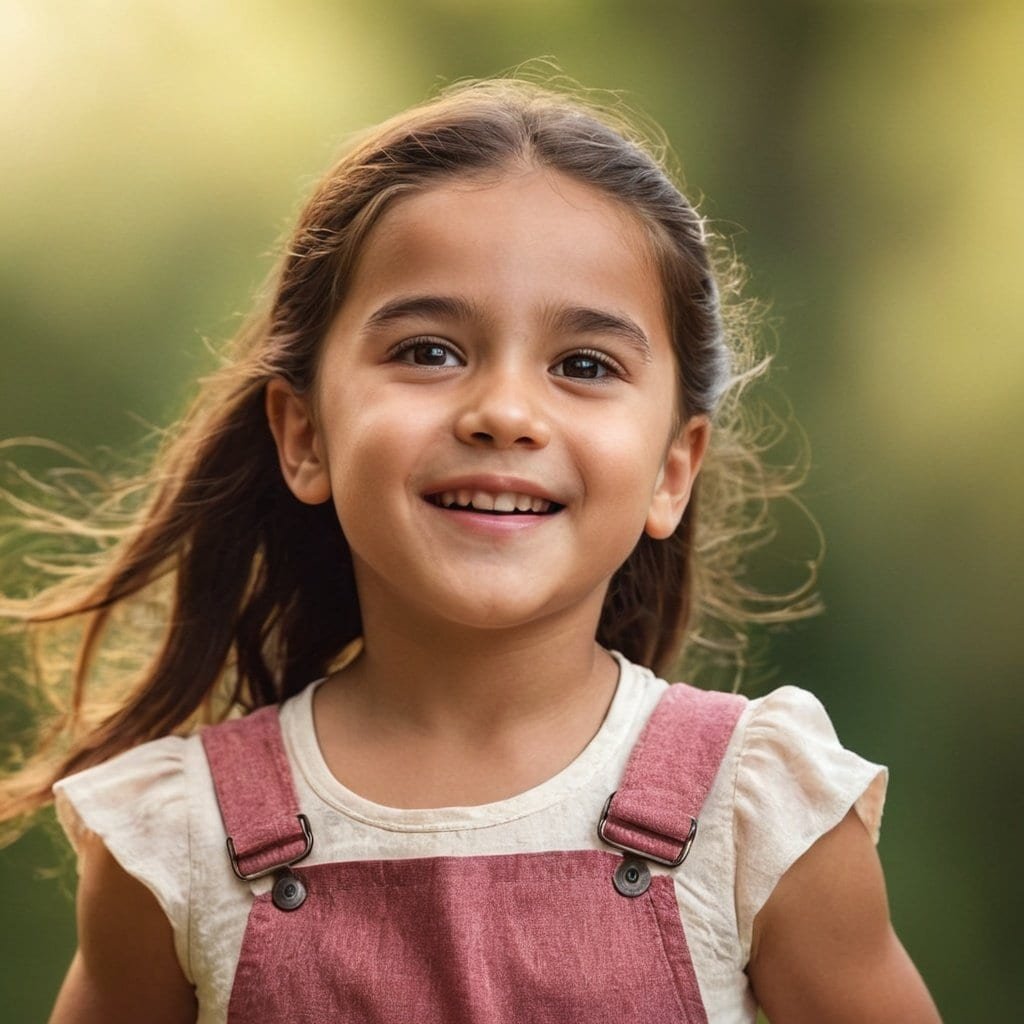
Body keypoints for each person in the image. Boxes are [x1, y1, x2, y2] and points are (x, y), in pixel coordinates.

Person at [0, 77, 940, 1023]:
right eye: (429, 351)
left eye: (583, 366)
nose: (503, 413)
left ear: (672, 470)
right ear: (304, 436)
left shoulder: (759, 817)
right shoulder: (173, 846)